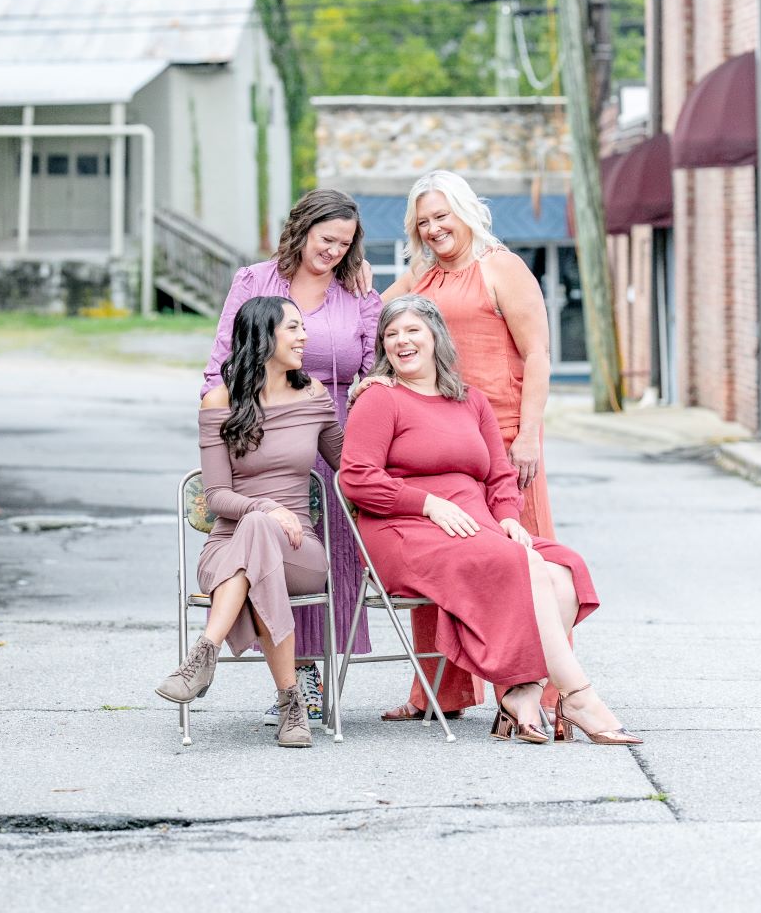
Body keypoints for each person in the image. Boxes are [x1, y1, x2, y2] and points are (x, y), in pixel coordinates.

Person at [340, 296, 641, 747]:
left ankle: (524, 691)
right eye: (391, 334)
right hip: (403, 529)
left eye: (412, 330)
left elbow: (500, 476)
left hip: (475, 525)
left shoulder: (469, 400)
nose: (402, 341)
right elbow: (357, 479)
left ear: (436, 337)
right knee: (526, 566)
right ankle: (577, 695)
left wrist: (507, 517)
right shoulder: (380, 399)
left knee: (562, 567)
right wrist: (427, 504)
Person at [377, 170, 557, 721]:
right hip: (437, 446)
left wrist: (529, 436)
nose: (433, 229)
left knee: (523, 564)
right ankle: (439, 692)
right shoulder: (421, 278)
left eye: (441, 216)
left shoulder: (499, 266)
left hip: (502, 439)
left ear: (466, 212)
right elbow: (374, 321)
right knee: (443, 566)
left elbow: (538, 354)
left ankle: (542, 694)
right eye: (422, 222)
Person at [203, 189, 380, 724]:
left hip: (335, 436)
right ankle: (292, 684)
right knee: (265, 542)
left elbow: (375, 370)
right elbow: (221, 365)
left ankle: (309, 677)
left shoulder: (358, 293)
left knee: (330, 560)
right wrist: (232, 428)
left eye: (345, 244)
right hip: (263, 439)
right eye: (327, 239)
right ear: (301, 228)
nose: (333, 251)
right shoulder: (256, 282)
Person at [156, 296, 344, 748]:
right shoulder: (219, 401)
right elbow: (217, 496)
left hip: (300, 549)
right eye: (294, 328)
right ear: (263, 337)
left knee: (262, 533)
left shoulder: (314, 395)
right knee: (258, 531)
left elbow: (350, 468)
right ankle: (291, 706)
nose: (304, 337)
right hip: (227, 548)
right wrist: (264, 508)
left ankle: (203, 655)